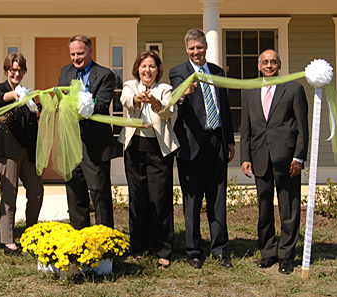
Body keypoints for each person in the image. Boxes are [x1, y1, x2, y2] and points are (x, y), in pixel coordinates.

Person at [169, 29, 235, 269]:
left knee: (218, 198)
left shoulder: (217, 72)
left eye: (200, 47)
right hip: (191, 144)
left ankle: (219, 248)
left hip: (216, 141)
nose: (196, 52)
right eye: (192, 48)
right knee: (192, 200)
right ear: (186, 49)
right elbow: (177, 100)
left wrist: (229, 141)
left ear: (206, 46)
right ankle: (194, 250)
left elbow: (225, 108)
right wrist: (184, 94)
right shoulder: (179, 72)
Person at [240, 49, 308, 275]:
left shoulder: (294, 89)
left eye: (273, 62)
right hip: (260, 158)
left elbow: (302, 128)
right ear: (259, 66)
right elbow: (246, 127)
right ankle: (268, 252)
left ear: (279, 65)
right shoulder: (250, 91)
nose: (269, 66)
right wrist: (245, 157)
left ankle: (286, 255)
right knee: (264, 208)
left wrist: (299, 156)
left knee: (288, 209)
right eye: (265, 62)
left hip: (287, 159)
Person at [118, 50, 179, 270]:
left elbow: (168, 111)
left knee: (160, 199)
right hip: (134, 148)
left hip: (159, 149)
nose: (147, 70)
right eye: (144, 66)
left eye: (152, 66)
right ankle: (139, 247)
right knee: (138, 199)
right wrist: (136, 99)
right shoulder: (129, 85)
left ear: (158, 70)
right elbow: (124, 100)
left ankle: (162, 249)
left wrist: (155, 104)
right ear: (137, 69)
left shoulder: (165, 89)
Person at [58, 34, 117, 230]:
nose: (76, 58)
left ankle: (105, 240)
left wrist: (80, 105)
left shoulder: (105, 74)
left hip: (95, 144)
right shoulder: (65, 72)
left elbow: (101, 105)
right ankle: (80, 238)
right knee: (74, 193)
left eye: (80, 53)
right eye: (72, 54)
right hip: (71, 141)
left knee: (99, 193)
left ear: (90, 51)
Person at [0, 53, 43, 255]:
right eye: (12, 70)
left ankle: (31, 234)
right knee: (9, 196)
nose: (16, 73)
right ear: (6, 71)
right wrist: (12, 96)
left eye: (20, 70)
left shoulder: (27, 93)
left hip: (28, 151)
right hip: (7, 152)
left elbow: (32, 124)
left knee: (37, 193)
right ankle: (8, 240)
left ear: (24, 71)